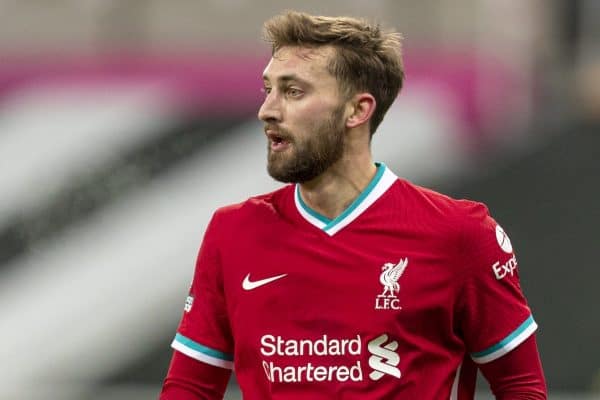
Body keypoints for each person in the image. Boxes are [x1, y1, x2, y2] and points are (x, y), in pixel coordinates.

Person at [160, 11, 546, 399]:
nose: (268, 110)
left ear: (358, 110)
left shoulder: (459, 232)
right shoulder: (233, 231)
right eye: (268, 90)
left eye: (293, 91)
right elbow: (190, 388)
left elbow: (520, 385)